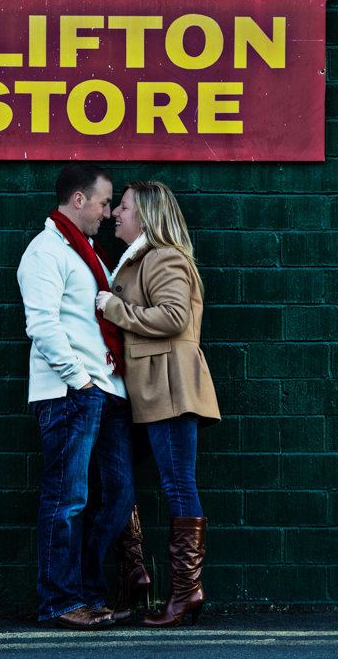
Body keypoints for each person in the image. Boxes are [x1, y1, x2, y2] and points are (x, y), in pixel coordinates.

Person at [94, 181, 220, 627]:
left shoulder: (164, 257)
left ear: (145, 215)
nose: (114, 215)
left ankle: (186, 591)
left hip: (168, 389)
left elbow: (173, 316)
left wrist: (114, 308)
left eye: (123, 208)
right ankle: (135, 577)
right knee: (119, 478)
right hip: (143, 393)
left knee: (177, 485)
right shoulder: (135, 261)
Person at [17, 162, 135, 629]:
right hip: (72, 393)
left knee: (119, 496)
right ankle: (61, 602)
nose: (109, 212)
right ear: (79, 200)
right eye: (105, 202)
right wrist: (79, 380)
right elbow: (41, 324)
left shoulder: (89, 253)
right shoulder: (46, 250)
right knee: (67, 498)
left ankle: (87, 593)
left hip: (106, 392)